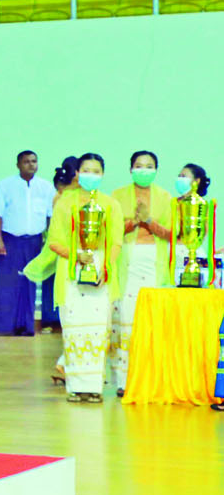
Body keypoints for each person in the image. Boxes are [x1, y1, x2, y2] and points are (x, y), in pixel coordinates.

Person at [45, 153, 123, 403]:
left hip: (100, 269)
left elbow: (116, 241)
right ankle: (75, 387)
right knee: (74, 330)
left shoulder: (111, 204)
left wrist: (105, 268)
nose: (91, 175)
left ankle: (94, 388)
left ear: (103, 174)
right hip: (71, 270)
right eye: (86, 170)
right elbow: (54, 241)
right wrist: (76, 255)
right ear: (77, 173)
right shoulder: (64, 203)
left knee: (98, 330)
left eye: (96, 171)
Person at [109, 150, 174, 394]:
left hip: (154, 262)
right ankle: (123, 381)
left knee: (151, 321)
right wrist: (134, 222)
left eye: (149, 166)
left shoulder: (166, 198)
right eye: (139, 165)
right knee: (125, 321)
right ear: (130, 169)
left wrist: (149, 221)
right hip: (126, 262)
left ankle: (149, 380)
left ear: (156, 170)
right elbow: (111, 230)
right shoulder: (117, 196)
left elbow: (172, 234)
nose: (143, 170)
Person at [0, 151, 53, 337]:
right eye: (26, 162)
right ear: (18, 165)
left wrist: (48, 241)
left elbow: (50, 216)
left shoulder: (46, 187)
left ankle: (25, 327)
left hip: (35, 241)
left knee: (28, 284)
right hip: (10, 240)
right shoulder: (5, 185)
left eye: (34, 161)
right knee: (4, 284)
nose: (31, 165)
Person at [38, 158, 79, 335]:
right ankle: (49, 319)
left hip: (74, 244)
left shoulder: (82, 194)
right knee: (51, 280)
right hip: (57, 243)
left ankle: (67, 318)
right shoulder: (60, 196)